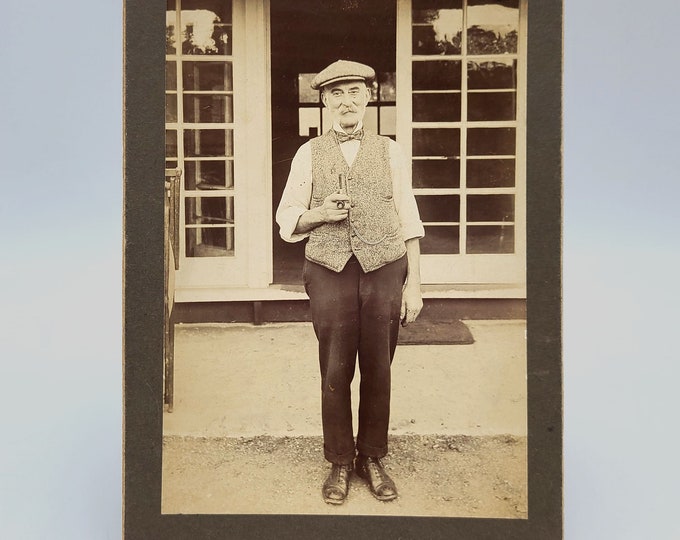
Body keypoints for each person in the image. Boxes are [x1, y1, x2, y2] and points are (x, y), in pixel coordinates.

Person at [276, 59, 424, 505]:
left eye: (355, 92)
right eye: (337, 93)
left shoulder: (390, 150)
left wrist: (414, 284)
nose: (347, 101)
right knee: (336, 368)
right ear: (324, 100)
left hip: (384, 267)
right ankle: (340, 460)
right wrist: (320, 213)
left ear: (367, 98)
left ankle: (372, 457)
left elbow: (409, 219)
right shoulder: (309, 154)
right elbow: (286, 218)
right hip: (329, 269)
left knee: (379, 366)